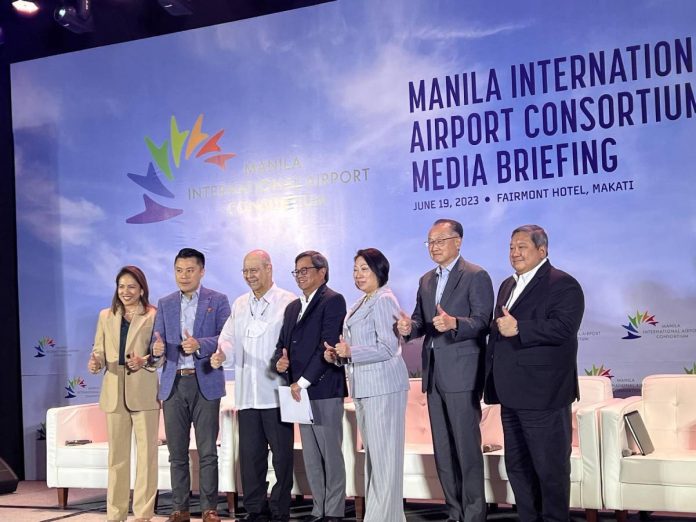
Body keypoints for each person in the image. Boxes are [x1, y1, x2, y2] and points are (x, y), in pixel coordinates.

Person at [484, 225, 584, 522]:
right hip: (510, 393)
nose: (515, 253)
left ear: (543, 250)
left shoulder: (563, 284)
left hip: (544, 394)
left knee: (549, 468)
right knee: (517, 466)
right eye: (511, 247)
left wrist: (521, 328)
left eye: (522, 247)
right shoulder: (507, 285)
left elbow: (565, 328)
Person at [397, 218, 493, 522]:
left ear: (458, 241)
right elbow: (419, 322)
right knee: (442, 447)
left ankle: (474, 513)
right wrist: (406, 328)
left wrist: (455, 324)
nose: (434, 247)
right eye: (430, 242)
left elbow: (482, 322)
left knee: (466, 447)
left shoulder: (476, 275)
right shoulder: (426, 280)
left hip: (463, 372)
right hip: (434, 374)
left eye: (440, 241)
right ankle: (454, 511)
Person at [324, 248, 409, 522]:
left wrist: (351, 352)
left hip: (384, 387)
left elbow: (388, 348)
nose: (358, 275)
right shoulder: (362, 302)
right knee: (376, 461)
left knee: (384, 462)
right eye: (355, 269)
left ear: (379, 271)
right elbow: (357, 348)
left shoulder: (384, 300)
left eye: (365, 269)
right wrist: (338, 355)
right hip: (365, 387)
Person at [149, 248, 231, 522]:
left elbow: (226, 337)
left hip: (205, 381)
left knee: (207, 451)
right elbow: (156, 342)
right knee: (177, 452)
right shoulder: (165, 303)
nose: (183, 276)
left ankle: (209, 508)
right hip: (173, 384)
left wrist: (200, 345)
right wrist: (157, 348)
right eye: (179, 270)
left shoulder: (217, 300)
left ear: (202, 271)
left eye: (190, 270)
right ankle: (179, 508)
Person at [216, 250, 296, 522]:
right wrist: (222, 354)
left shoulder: (289, 302)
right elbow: (227, 338)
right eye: (245, 271)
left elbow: (294, 343)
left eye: (255, 270)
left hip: (276, 393)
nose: (250, 276)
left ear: (269, 268)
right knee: (250, 459)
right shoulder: (239, 304)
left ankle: (280, 510)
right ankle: (255, 511)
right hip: (247, 395)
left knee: (282, 458)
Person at [273, 250, 347, 522]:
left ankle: (335, 511)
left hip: (323, 388)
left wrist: (302, 382)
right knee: (312, 457)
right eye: (297, 271)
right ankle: (319, 510)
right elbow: (282, 345)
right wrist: (278, 364)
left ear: (322, 272)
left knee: (330, 453)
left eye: (305, 270)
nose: (300, 276)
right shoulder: (293, 307)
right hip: (297, 391)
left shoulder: (333, 300)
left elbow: (326, 345)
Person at [88, 265, 159, 522]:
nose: (126, 291)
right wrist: (95, 362)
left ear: (141, 289)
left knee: (146, 458)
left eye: (131, 286)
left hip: (144, 392)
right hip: (113, 391)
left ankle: (143, 514)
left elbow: (160, 355)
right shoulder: (106, 315)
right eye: (121, 287)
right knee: (117, 459)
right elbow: (98, 350)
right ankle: (115, 514)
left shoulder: (152, 315)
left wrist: (146, 359)